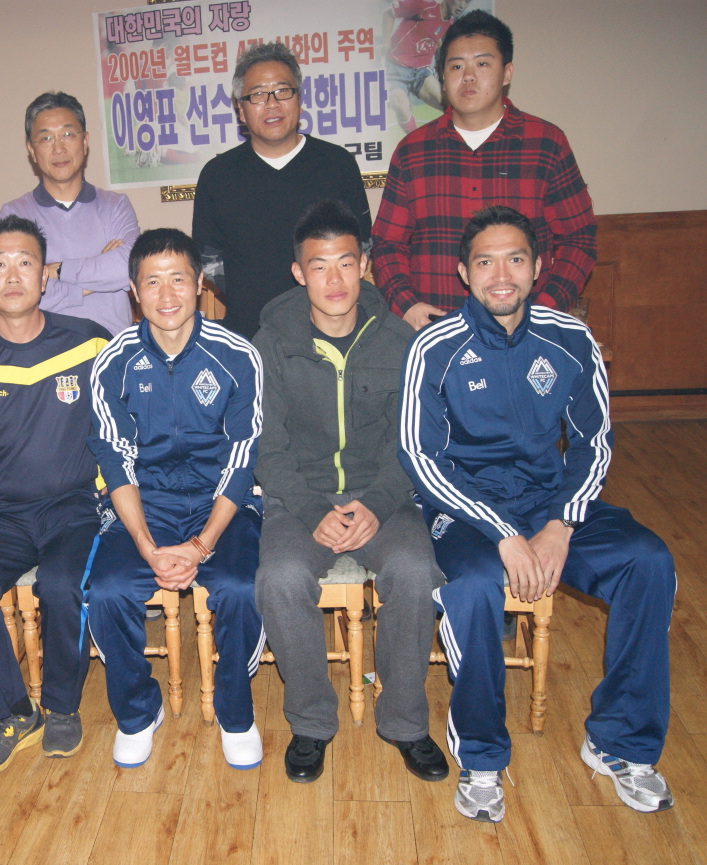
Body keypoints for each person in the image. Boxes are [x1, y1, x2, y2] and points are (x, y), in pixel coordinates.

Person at [399, 206, 676, 823]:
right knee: (473, 585)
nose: (502, 275)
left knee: (647, 560)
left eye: (515, 260)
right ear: (464, 273)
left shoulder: (570, 339)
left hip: (549, 503)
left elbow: (593, 443)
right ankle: (481, 757)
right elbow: (420, 457)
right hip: (464, 510)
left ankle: (621, 742)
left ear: (537, 267)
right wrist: (502, 534)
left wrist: (559, 525)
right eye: (486, 262)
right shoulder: (433, 347)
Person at [252, 200, 447, 785]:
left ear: (364, 264)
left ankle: (405, 723)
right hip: (299, 499)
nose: (333, 279)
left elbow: (413, 444)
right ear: (298, 272)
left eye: (345, 263)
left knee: (414, 569)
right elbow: (268, 449)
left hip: (383, 496)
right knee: (280, 578)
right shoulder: (272, 343)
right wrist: (314, 511)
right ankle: (311, 721)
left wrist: (378, 504)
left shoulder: (400, 341)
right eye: (319, 266)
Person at [0, 215, 110, 776]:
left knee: (62, 584)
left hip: (77, 508)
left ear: (45, 274)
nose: (12, 275)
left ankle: (61, 706)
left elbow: (122, 427)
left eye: (25, 262)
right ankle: (11, 713)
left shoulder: (88, 343)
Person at [87, 228, 266, 770]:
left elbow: (242, 460)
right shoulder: (113, 361)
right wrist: (146, 546)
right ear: (133, 291)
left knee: (238, 587)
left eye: (178, 280)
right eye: (152, 282)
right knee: (108, 589)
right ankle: (138, 712)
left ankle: (236, 712)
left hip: (223, 504)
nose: (166, 296)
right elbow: (115, 461)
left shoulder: (238, 355)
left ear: (200, 283)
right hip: (147, 504)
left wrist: (201, 545)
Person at [372, 10, 597, 331]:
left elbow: (579, 238)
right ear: (442, 76)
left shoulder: (546, 143)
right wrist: (407, 306)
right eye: (456, 66)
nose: (468, 76)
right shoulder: (413, 151)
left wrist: (543, 311)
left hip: (525, 334)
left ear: (507, 73)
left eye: (482, 64)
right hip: (438, 332)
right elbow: (386, 244)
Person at [193, 41, 371, 338]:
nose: (272, 103)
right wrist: (254, 297)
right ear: (241, 110)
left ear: (299, 99)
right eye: (258, 94)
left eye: (282, 91)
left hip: (329, 328)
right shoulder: (217, 175)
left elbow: (361, 244)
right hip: (251, 330)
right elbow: (209, 259)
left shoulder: (337, 164)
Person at [0, 91, 140, 337]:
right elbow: (18, 294)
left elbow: (128, 267)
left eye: (67, 135)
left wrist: (58, 271)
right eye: (46, 138)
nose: (58, 148)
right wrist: (96, 275)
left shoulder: (115, 205)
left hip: (111, 349)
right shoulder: (15, 214)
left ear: (85, 141)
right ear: (31, 149)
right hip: (45, 352)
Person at [382, 0, 470, 134]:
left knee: (453, 107)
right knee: (400, 104)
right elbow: (388, 13)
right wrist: (386, 43)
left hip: (421, 71)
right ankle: (416, 141)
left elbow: (435, 37)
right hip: (395, 68)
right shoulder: (424, 5)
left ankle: (459, 141)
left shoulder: (450, 23)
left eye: (467, 2)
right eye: (460, 0)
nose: (462, 6)